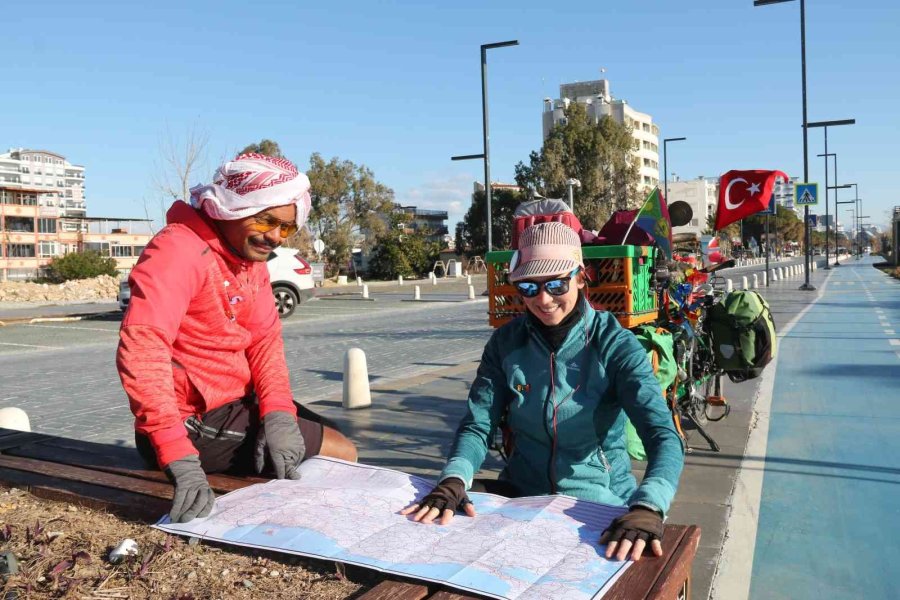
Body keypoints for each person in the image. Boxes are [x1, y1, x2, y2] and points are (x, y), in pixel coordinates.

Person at [402, 222, 684, 562]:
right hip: (522, 496)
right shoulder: (506, 343)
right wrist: (454, 478)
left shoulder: (615, 345)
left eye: (556, 283)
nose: (544, 299)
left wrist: (650, 504)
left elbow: (662, 435)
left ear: (581, 276)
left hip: (598, 501)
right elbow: (478, 425)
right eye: (529, 287)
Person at [117, 153, 357, 523]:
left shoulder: (250, 260)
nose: (275, 236)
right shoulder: (177, 250)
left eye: (286, 228)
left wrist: (277, 413)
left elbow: (264, 342)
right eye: (267, 220)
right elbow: (142, 348)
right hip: (191, 421)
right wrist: (177, 455)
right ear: (234, 207)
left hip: (236, 403)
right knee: (342, 453)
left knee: (326, 440)